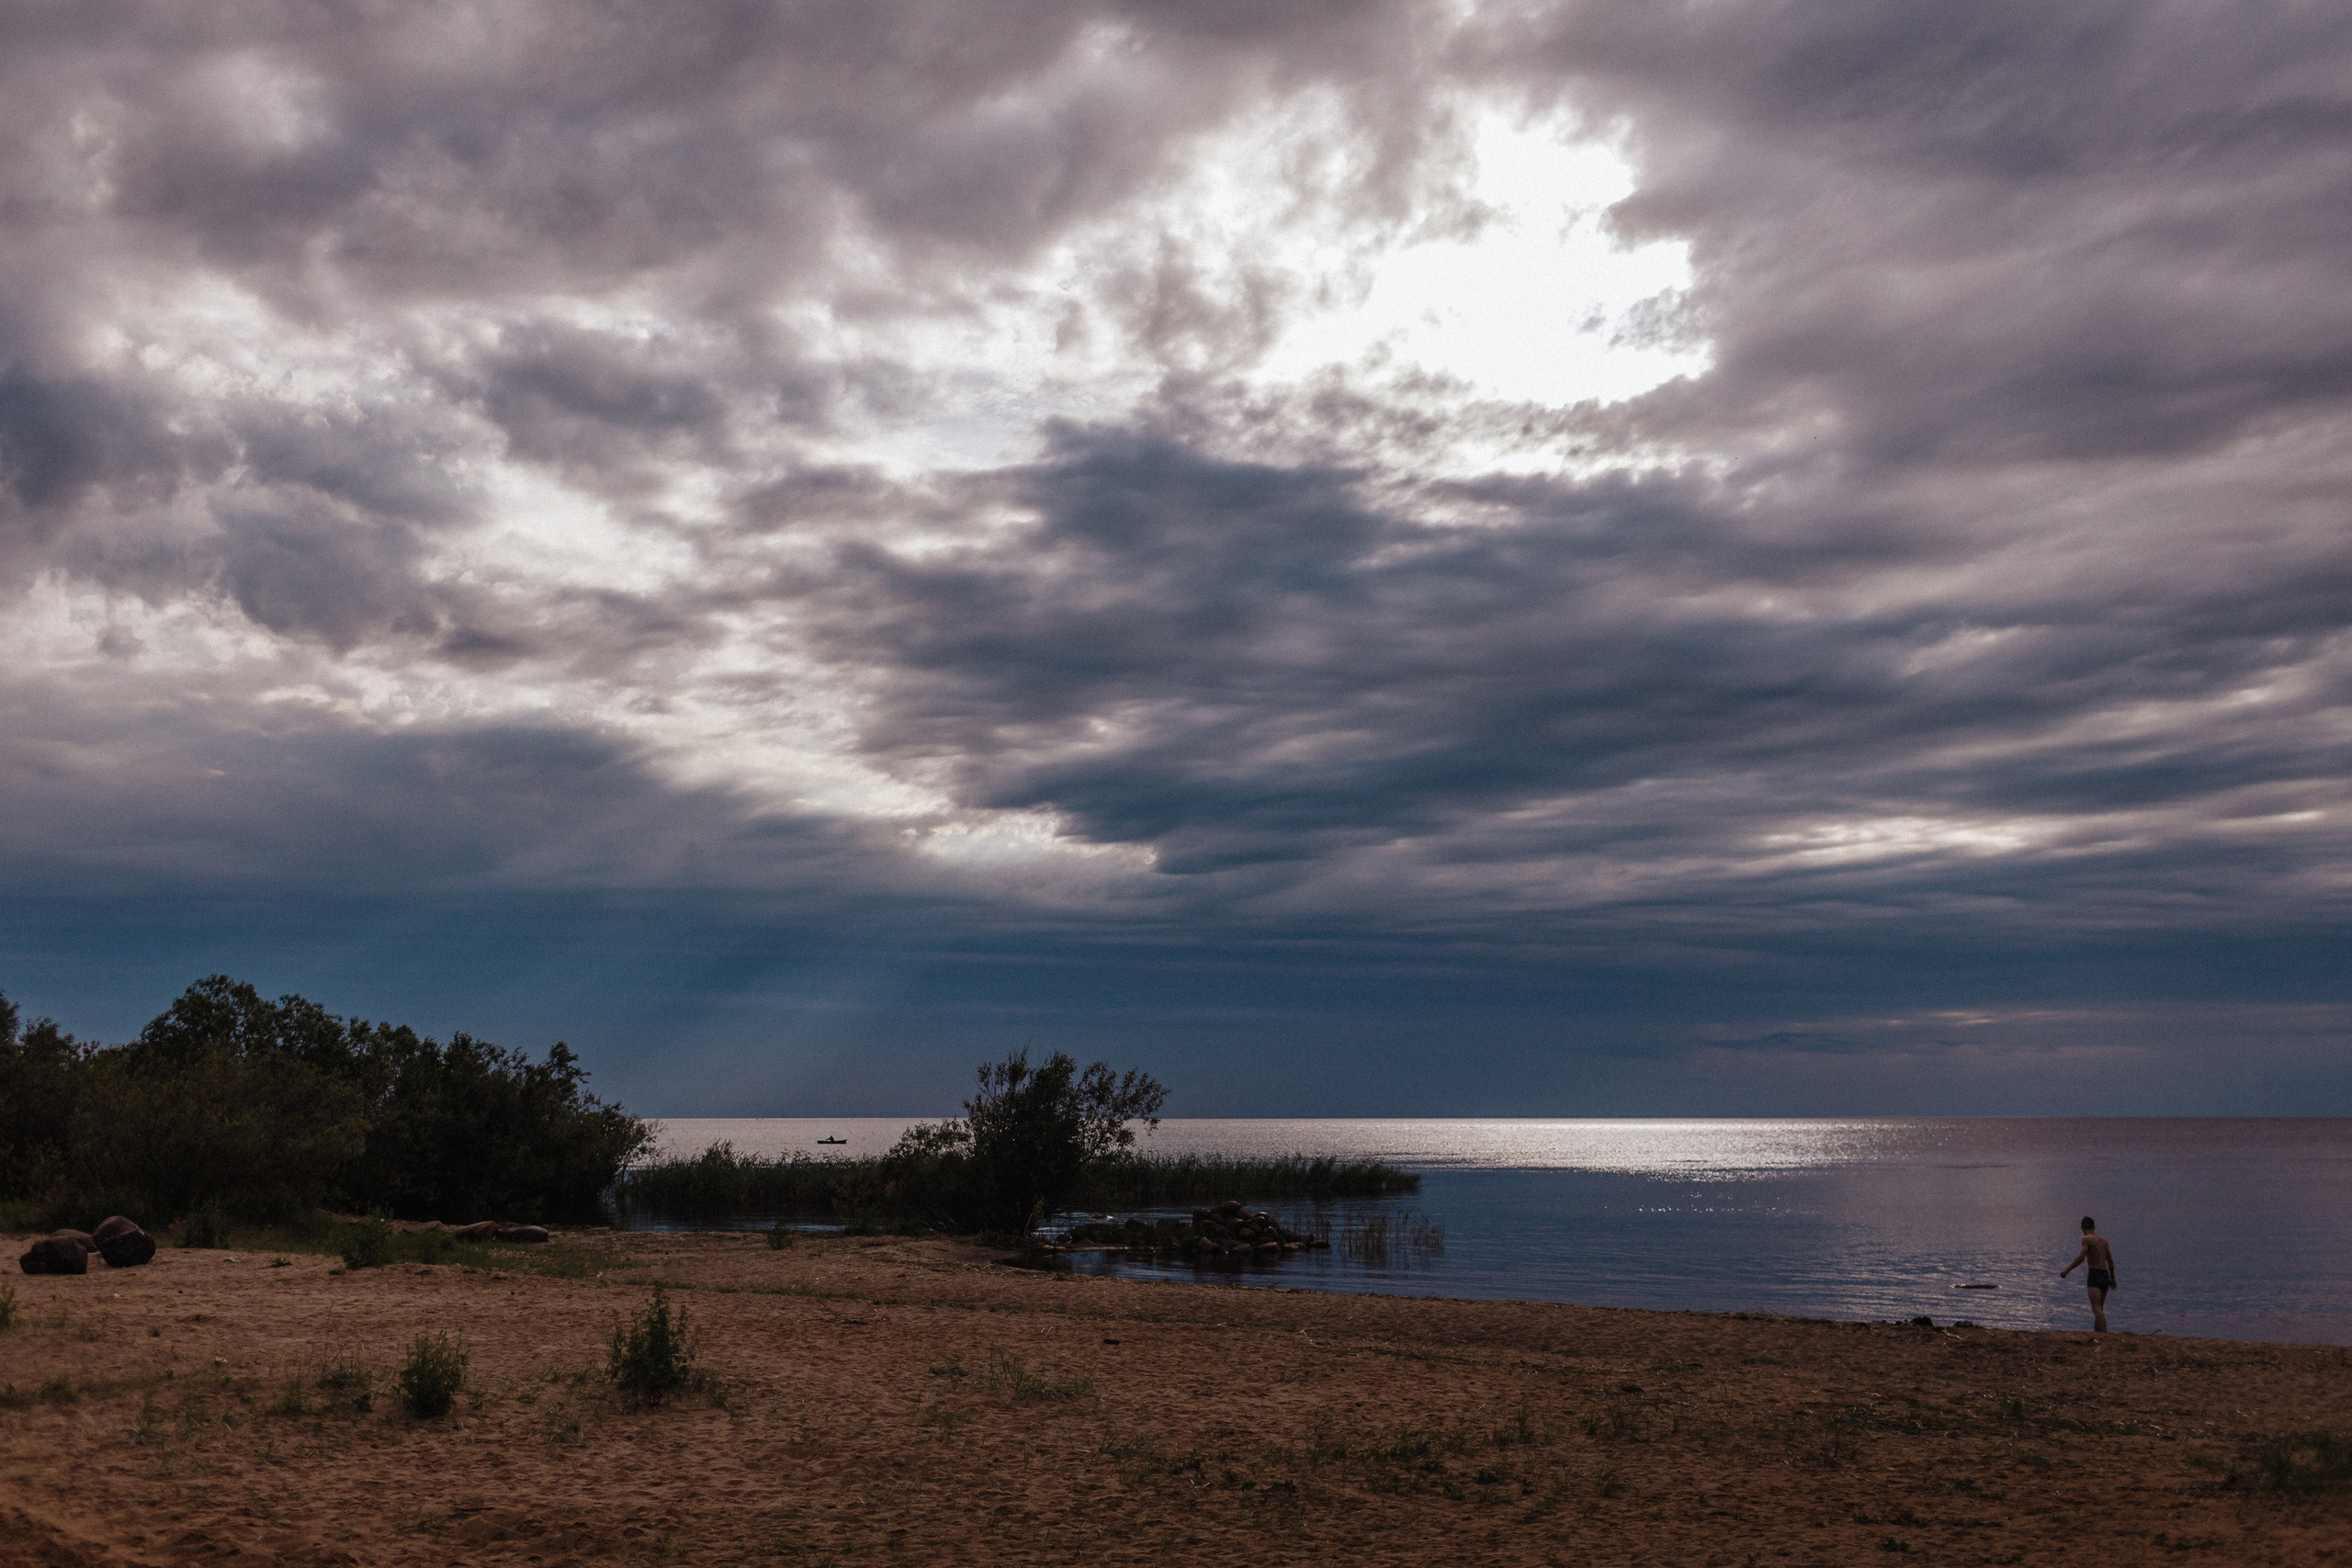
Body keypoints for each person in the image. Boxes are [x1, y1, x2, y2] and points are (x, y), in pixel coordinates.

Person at [2060, 1215, 2118, 1334]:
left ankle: (2104, 1333)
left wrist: (2067, 1270)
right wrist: (2112, 1278)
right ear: (2094, 1227)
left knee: (2096, 1307)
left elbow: (2081, 1257)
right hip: (2105, 1275)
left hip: (2095, 1274)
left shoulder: (2086, 1239)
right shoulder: (2104, 1241)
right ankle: (2097, 1331)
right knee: (2100, 1308)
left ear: (2082, 1227)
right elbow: (2110, 1261)